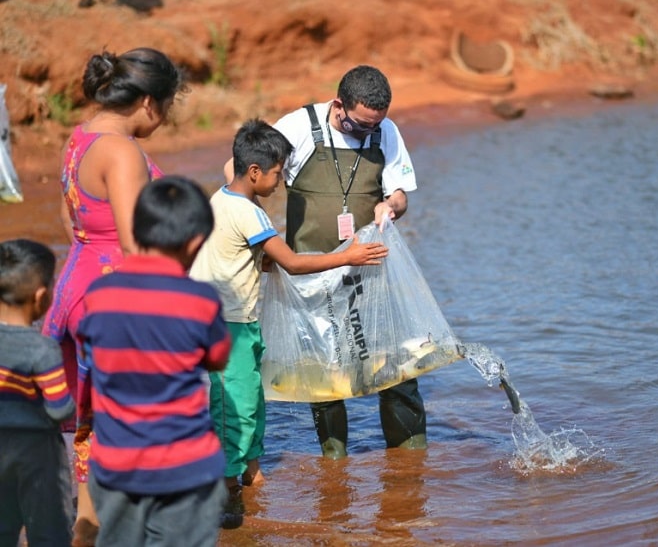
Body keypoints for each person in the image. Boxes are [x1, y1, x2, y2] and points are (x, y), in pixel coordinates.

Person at [191, 118, 388, 528]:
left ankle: (252, 473)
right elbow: (293, 263)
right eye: (279, 174)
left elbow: (246, 256)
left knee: (252, 400)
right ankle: (228, 490)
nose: (281, 183)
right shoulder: (247, 212)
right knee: (233, 407)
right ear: (255, 172)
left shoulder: (223, 200)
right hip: (225, 326)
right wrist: (347, 256)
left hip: (236, 321)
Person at [225, 65, 423, 460]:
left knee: (396, 371)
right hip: (312, 276)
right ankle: (335, 465)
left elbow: (401, 191)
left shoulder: (386, 130)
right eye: (360, 124)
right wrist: (261, 236)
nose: (369, 133)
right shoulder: (299, 126)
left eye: (375, 126)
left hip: (371, 267)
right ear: (338, 106)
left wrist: (391, 204)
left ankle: (408, 466)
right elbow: (238, 172)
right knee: (325, 376)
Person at [40, 46, 185, 545]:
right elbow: (133, 241)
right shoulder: (122, 152)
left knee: (92, 425)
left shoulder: (80, 137)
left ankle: (88, 527)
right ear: (148, 102)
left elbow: (70, 219)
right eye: (166, 107)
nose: (164, 120)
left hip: (79, 288)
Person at [76, 176, 232, 546]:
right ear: (195, 243)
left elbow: (90, 355)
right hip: (185, 468)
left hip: (115, 465)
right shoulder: (201, 300)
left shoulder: (98, 294)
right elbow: (218, 357)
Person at [0, 239, 75, 547]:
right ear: (42, 296)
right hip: (37, 452)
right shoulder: (42, 349)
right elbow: (59, 408)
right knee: (49, 529)